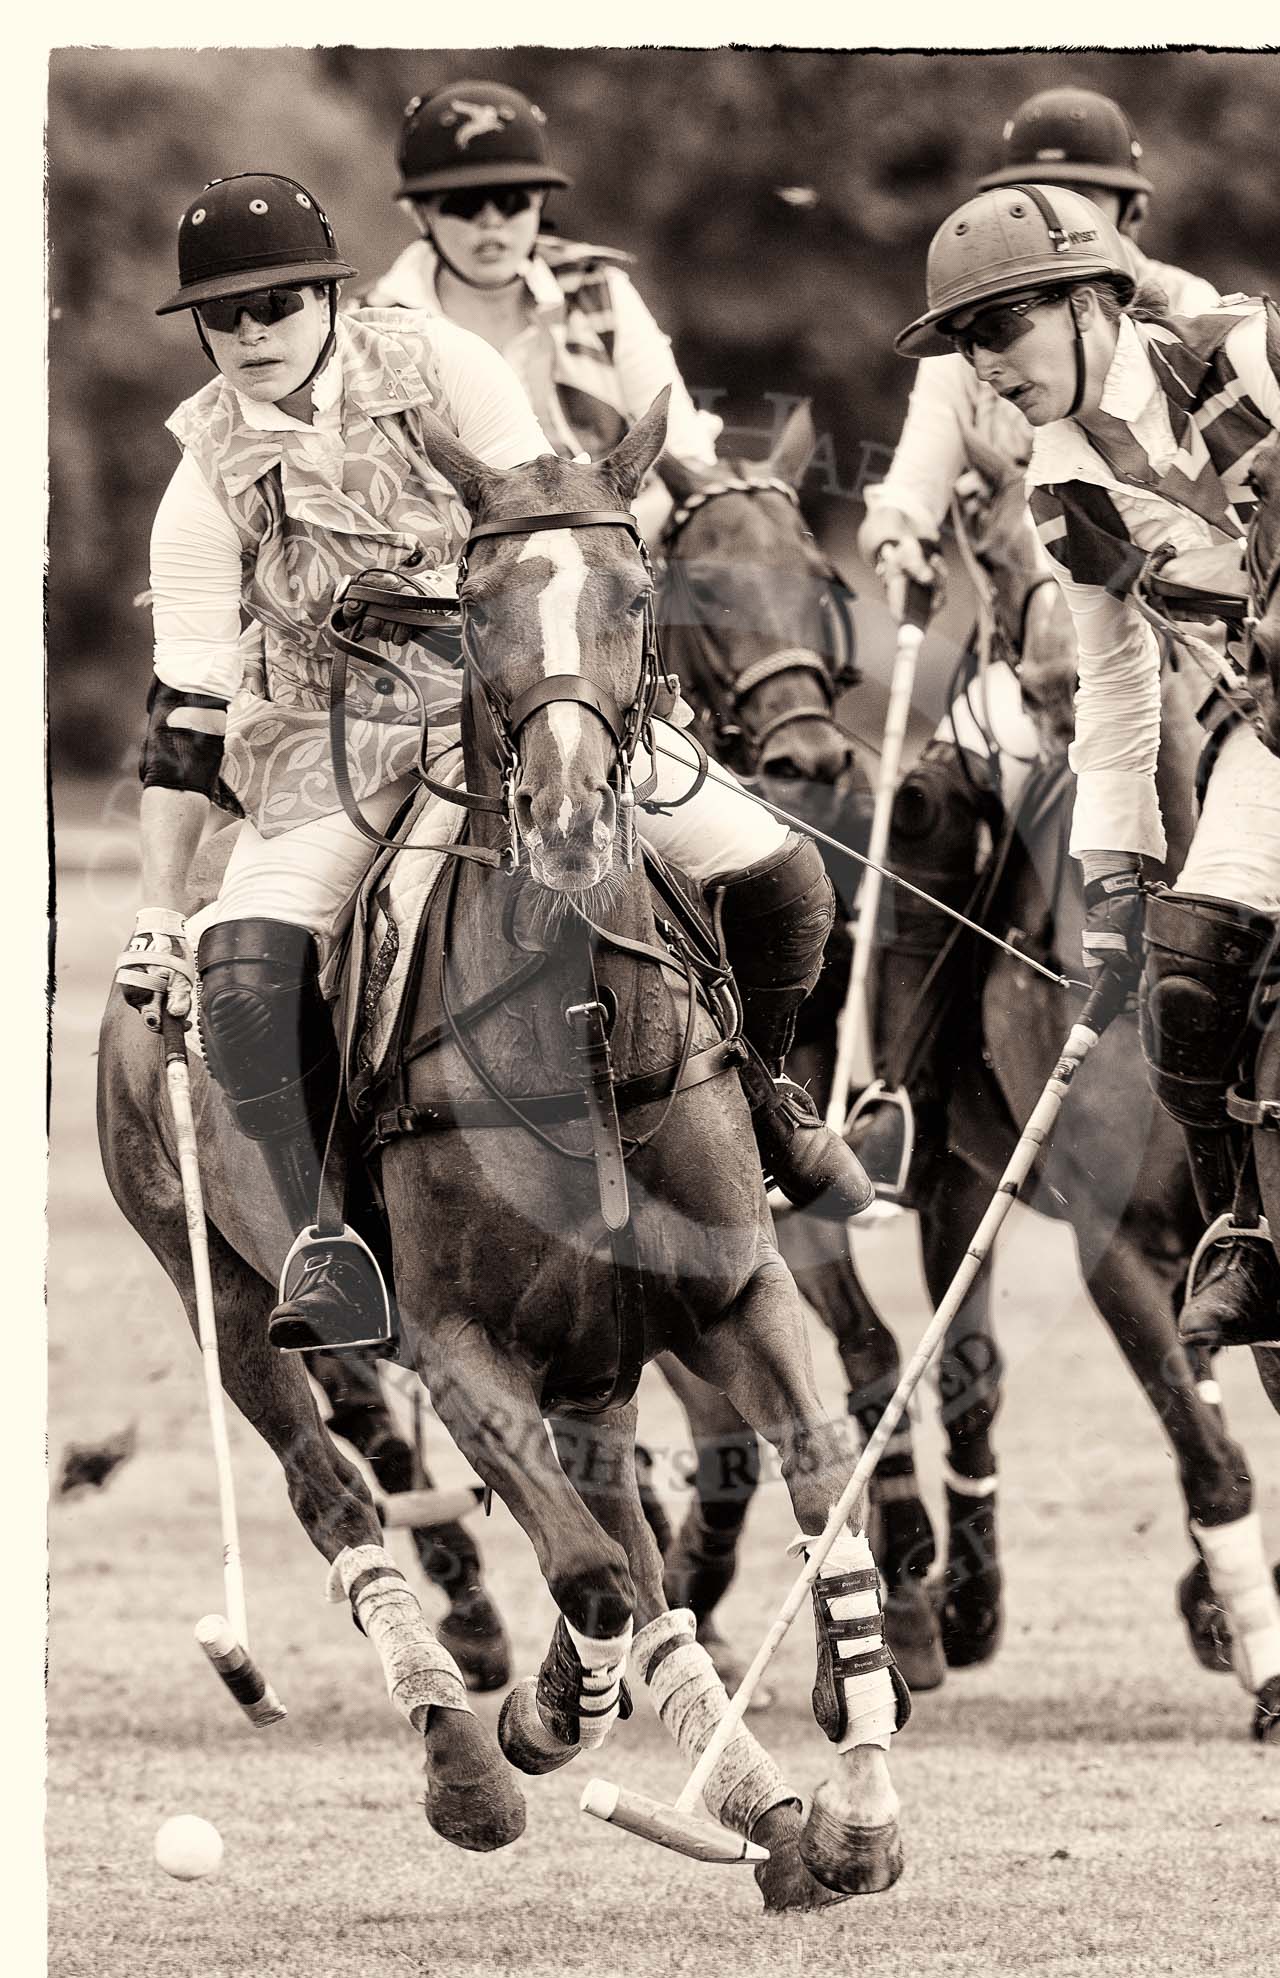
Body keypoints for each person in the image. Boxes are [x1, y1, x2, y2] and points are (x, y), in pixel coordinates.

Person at [115, 170, 870, 1357]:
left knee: (786, 877)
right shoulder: (199, 477)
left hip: (526, 708)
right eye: (225, 316)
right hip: (333, 753)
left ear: (328, 295)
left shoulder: (445, 365)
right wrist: (161, 905)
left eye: (276, 305)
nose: (252, 334)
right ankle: (328, 1240)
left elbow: (556, 518)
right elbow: (185, 708)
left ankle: (768, 1099)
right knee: (245, 980)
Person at [893, 180, 1280, 1349]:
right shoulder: (1065, 484)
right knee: (1195, 962)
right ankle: (1250, 1229)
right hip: (1271, 739)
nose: (982, 365)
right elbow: (1118, 683)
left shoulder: (1255, 350)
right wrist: (1116, 875)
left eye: (997, 328)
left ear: (1089, 301)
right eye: (963, 343)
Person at [850, 89, 1222, 1164]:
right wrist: (897, 530)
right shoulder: (967, 354)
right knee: (924, 809)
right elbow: (911, 478)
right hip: (1032, 662)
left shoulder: (1190, 315)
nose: (1066, 210)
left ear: (1127, 219)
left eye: (1090, 200)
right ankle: (908, 1097)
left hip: (1196, 653)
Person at [364, 79, 720, 543]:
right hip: (455, 581)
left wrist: (596, 545)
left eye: (513, 200)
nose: (492, 221)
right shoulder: (369, 326)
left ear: (540, 203)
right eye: (465, 203)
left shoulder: (601, 292)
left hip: (616, 559)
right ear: (420, 213)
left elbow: (689, 460)